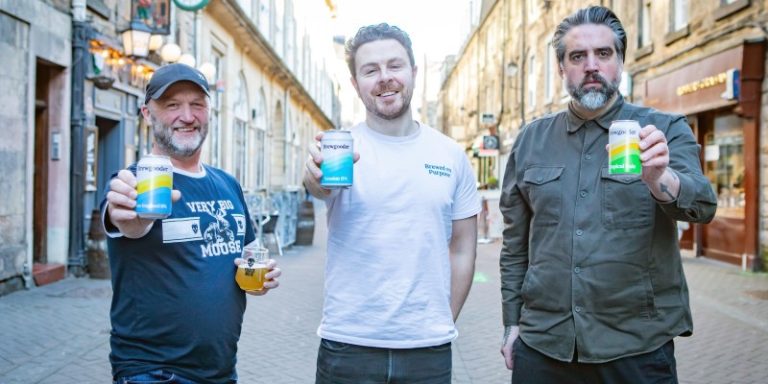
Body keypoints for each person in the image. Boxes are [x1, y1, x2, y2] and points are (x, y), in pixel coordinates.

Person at [498, 6, 717, 383]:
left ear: (620, 61)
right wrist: (511, 323)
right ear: (561, 68)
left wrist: (660, 178)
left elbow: (703, 205)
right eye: (577, 56)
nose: (591, 65)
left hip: (636, 348)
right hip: (545, 345)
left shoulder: (664, 129)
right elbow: (516, 244)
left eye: (604, 53)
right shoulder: (531, 140)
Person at [303, 23, 481, 383]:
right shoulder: (340, 149)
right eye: (370, 70)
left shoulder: (449, 154)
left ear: (413, 73)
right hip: (348, 344)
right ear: (356, 84)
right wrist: (314, 177)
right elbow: (319, 186)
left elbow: (463, 248)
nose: (385, 78)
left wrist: (444, 318)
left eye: (394, 66)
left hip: (427, 349)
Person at [102, 63, 281, 384]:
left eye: (197, 104)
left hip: (221, 370)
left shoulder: (228, 183)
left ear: (209, 111)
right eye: (172, 105)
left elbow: (249, 255)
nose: (187, 116)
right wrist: (129, 215)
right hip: (153, 371)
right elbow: (129, 223)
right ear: (147, 113)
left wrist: (259, 278)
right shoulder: (135, 182)